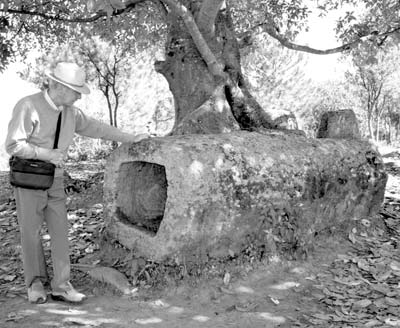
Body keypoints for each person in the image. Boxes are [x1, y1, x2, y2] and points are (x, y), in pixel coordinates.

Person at [5, 61, 149, 304]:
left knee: (61, 232)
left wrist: (131, 137)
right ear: (60, 87)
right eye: (76, 91)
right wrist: (46, 154)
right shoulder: (28, 106)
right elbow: (12, 145)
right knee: (30, 233)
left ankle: (61, 285)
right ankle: (35, 283)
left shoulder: (72, 113)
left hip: (56, 179)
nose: (79, 97)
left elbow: (98, 129)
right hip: (29, 179)